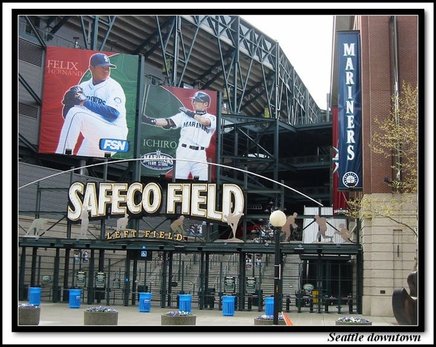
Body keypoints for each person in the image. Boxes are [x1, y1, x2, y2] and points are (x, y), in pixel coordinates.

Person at [55, 53, 128, 157]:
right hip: (95, 136)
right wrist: (68, 104)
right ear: (91, 68)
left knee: (76, 113)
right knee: (80, 164)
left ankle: (61, 156)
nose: (106, 70)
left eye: (108, 67)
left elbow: (113, 114)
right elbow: (69, 117)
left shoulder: (114, 87)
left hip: (115, 136)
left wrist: (84, 101)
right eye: (103, 67)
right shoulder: (83, 86)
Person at [143, 91, 216, 180]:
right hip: (183, 152)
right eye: (194, 100)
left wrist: (191, 114)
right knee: (177, 180)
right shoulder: (184, 116)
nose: (194, 103)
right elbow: (168, 122)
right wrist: (150, 121)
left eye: (197, 101)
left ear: (206, 104)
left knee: (203, 182)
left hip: (199, 154)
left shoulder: (211, 117)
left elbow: (205, 122)